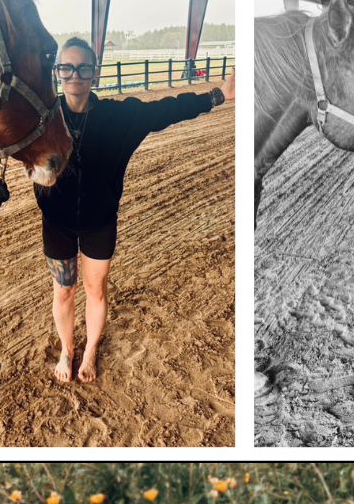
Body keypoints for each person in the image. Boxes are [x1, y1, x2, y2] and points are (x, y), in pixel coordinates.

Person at [38, 38, 233, 382]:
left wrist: (218, 95)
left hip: (100, 223)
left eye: (83, 67)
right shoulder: (42, 120)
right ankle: (67, 351)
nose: (74, 75)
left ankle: (91, 350)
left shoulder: (118, 117)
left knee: (96, 289)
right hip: (57, 224)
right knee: (63, 289)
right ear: (58, 72)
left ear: (94, 74)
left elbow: (166, 108)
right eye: (66, 67)